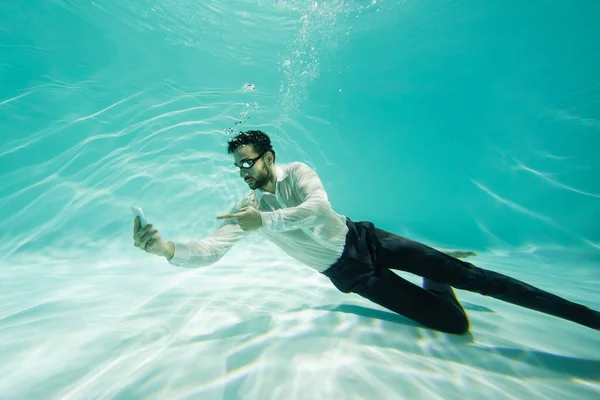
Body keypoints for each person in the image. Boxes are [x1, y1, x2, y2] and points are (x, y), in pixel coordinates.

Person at [133, 130, 600, 334]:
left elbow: (319, 209)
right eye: (237, 167)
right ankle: (437, 274)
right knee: (454, 324)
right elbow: (212, 251)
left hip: (367, 239)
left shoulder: (296, 173)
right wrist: (165, 249)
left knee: (476, 279)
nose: (242, 172)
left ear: (269, 156)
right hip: (354, 275)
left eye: (247, 163)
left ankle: (588, 318)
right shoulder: (247, 209)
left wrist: (269, 220)